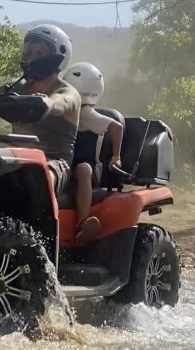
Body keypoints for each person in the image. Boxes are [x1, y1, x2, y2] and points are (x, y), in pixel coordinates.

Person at [0, 24, 80, 195]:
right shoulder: (15, 89)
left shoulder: (67, 92)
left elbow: (60, 102)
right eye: (27, 52)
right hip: (15, 157)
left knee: (38, 176)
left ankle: (40, 222)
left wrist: (46, 103)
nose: (30, 58)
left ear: (57, 57)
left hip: (53, 162)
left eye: (38, 53)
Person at [61, 62, 124, 243]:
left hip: (88, 166)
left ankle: (83, 223)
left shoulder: (87, 114)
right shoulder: (64, 107)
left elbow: (117, 128)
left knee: (83, 170)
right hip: (64, 162)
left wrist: (116, 157)